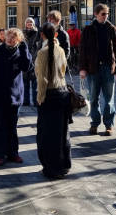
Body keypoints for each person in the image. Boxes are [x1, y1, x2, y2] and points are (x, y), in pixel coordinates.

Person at [0, 28, 32, 166]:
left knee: (12, 126)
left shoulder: (20, 52)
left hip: (15, 96)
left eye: (14, 37)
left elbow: (27, 67)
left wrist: (24, 48)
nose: (11, 38)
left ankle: (13, 153)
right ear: (4, 37)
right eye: (9, 35)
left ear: (19, 39)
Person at [79, 4, 116, 136]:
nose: (106, 16)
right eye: (103, 14)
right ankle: (95, 123)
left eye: (107, 14)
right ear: (96, 14)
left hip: (108, 68)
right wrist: (82, 68)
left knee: (109, 99)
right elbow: (82, 50)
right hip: (93, 69)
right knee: (93, 98)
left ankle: (109, 125)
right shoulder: (88, 30)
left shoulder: (112, 29)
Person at [35, 22, 71, 179]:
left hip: (49, 95)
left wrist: (40, 98)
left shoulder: (43, 52)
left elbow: (42, 79)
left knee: (47, 135)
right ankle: (64, 165)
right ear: (55, 35)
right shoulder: (61, 50)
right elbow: (63, 70)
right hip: (62, 93)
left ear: (42, 34)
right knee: (62, 132)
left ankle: (51, 168)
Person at [23, 17, 40, 106]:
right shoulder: (22, 34)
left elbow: (39, 47)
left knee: (35, 83)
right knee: (25, 83)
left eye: (31, 22)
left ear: (33, 24)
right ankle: (26, 101)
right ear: (25, 24)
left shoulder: (38, 33)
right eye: (28, 22)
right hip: (25, 60)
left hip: (35, 61)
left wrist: (34, 58)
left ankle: (35, 100)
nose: (29, 24)